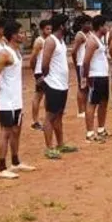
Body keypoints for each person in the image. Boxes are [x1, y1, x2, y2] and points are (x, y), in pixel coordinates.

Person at [0, 21, 37, 178]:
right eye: (20, 33)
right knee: (6, 132)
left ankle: (15, 162)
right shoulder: (5, 53)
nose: (23, 35)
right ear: (13, 35)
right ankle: (2, 167)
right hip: (6, 100)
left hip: (16, 99)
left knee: (16, 130)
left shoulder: (16, 52)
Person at [39, 14, 78, 159]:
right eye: (67, 24)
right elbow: (44, 64)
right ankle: (49, 148)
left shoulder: (61, 41)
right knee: (50, 116)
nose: (69, 26)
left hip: (62, 84)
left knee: (59, 115)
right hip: (53, 84)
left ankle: (60, 144)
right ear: (61, 26)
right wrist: (46, 79)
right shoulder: (51, 41)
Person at [82, 15, 112, 143]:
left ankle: (101, 129)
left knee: (103, 102)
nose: (107, 28)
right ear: (100, 27)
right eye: (106, 25)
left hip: (103, 75)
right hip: (95, 76)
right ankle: (89, 133)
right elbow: (86, 61)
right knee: (92, 104)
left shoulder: (99, 40)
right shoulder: (92, 41)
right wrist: (87, 77)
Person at [29, 19, 52, 131]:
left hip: (46, 71)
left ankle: (47, 119)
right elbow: (33, 58)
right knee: (38, 96)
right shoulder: (39, 41)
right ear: (42, 29)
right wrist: (36, 72)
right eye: (47, 29)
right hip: (40, 71)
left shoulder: (49, 40)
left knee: (47, 95)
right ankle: (35, 121)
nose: (49, 31)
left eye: (50, 29)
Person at [70, 15, 92, 119]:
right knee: (82, 87)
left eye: (90, 23)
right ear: (82, 24)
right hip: (81, 64)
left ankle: (87, 108)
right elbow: (73, 51)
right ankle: (81, 110)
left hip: (88, 64)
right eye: (87, 23)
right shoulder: (80, 35)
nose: (89, 25)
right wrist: (76, 63)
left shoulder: (89, 34)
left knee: (88, 87)